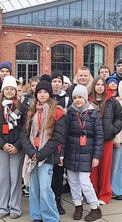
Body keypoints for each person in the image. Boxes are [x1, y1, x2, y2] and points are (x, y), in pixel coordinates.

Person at [21, 74, 66, 222]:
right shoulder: (31, 112)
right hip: (32, 155)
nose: (42, 94)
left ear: (49, 94)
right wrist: (32, 152)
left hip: (46, 157)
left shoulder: (57, 112)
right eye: (39, 92)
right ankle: (37, 216)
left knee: (45, 189)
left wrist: (41, 154)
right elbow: (24, 134)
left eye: (45, 92)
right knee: (34, 189)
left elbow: (57, 137)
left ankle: (51, 217)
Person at [61, 84, 103, 221]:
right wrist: (62, 154)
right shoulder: (70, 113)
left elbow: (99, 136)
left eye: (80, 97)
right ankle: (77, 205)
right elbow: (64, 135)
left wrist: (96, 156)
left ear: (85, 98)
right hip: (71, 152)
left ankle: (95, 207)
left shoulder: (93, 113)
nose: (77, 100)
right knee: (73, 181)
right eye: (75, 97)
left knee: (84, 181)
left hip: (87, 153)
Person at [0, 75, 28, 219]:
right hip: (1, 148)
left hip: (17, 148)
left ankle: (15, 208)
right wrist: (3, 144)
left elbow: (25, 128)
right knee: (2, 177)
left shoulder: (22, 108)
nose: (10, 91)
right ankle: (1, 206)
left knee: (15, 178)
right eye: (7, 89)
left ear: (16, 91)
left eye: (12, 89)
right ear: (3, 90)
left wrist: (17, 145)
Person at [89, 76, 122, 204]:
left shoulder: (112, 101)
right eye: (97, 84)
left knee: (105, 168)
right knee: (92, 170)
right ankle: (92, 195)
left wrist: (112, 130)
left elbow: (120, 117)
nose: (99, 87)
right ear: (94, 86)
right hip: (91, 140)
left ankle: (104, 195)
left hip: (106, 140)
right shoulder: (87, 100)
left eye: (102, 84)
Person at [51, 70, 72, 215]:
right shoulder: (45, 95)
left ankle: (58, 199)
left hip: (61, 138)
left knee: (58, 171)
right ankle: (48, 198)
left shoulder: (67, 99)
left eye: (59, 81)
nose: (57, 84)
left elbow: (69, 118)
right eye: (54, 81)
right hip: (47, 138)